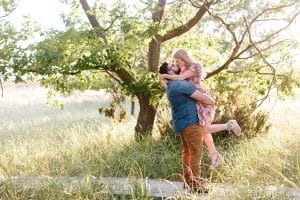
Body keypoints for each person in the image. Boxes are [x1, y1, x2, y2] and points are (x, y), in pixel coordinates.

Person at [159, 48, 241, 169]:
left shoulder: (195, 65)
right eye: (174, 62)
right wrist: (162, 79)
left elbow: (181, 79)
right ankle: (215, 156)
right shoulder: (183, 69)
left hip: (199, 97)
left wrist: (164, 75)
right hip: (193, 99)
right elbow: (169, 87)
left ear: (183, 58)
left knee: (202, 129)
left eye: (177, 61)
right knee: (202, 129)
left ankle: (229, 125)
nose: (176, 63)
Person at [158, 62, 214, 193]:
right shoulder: (180, 84)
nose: (175, 64)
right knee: (196, 153)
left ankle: (189, 182)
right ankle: (197, 185)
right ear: (170, 72)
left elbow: (163, 80)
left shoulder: (170, 85)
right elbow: (201, 97)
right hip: (190, 123)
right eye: (172, 65)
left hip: (181, 124)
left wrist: (161, 77)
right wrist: (211, 101)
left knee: (187, 152)